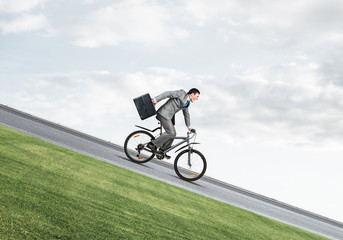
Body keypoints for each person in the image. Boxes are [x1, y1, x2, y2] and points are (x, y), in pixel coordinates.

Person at [147, 88, 200, 155]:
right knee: (171, 132)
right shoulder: (182, 93)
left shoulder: (187, 103)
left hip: (169, 116)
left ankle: (163, 150)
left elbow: (186, 115)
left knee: (173, 134)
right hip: (164, 113)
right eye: (197, 96)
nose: (197, 98)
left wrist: (189, 126)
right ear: (192, 94)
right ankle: (152, 144)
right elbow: (168, 93)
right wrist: (156, 99)